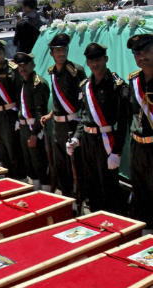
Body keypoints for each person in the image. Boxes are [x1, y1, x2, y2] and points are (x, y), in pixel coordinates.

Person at [69, 43, 129, 213]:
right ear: (87, 63)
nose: (95, 64)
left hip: (106, 143)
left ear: (106, 59)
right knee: (91, 184)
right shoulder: (85, 86)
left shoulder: (117, 85)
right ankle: (95, 218)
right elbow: (84, 117)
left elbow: (123, 122)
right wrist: (76, 137)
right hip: (88, 142)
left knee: (108, 187)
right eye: (91, 61)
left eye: (98, 60)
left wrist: (117, 152)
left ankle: (113, 220)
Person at [41, 33, 86, 207]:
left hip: (72, 124)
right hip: (57, 126)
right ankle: (67, 199)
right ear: (52, 53)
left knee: (75, 165)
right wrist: (50, 114)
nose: (61, 53)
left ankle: (79, 201)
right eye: (57, 51)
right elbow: (58, 99)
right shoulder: (52, 72)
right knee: (60, 166)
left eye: (63, 50)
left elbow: (84, 100)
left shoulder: (76, 71)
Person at [0, 39, 26, 180]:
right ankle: (7, 178)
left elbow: (20, 95)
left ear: (3, 53)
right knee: (0, 150)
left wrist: (19, 117)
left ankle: (19, 178)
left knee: (12, 149)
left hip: (8, 115)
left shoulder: (12, 70)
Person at [127, 33, 153, 234]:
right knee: (141, 193)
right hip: (138, 147)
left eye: (145, 51)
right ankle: (146, 237)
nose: (141, 57)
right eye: (137, 53)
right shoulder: (134, 81)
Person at [15, 52, 51, 191]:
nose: (22, 69)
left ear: (33, 65)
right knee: (30, 161)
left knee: (40, 161)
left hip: (35, 128)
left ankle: (46, 191)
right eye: (20, 66)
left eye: (25, 65)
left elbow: (40, 112)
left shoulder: (38, 83)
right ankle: (36, 190)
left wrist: (35, 134)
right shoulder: (23, 82)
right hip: (25, 127)